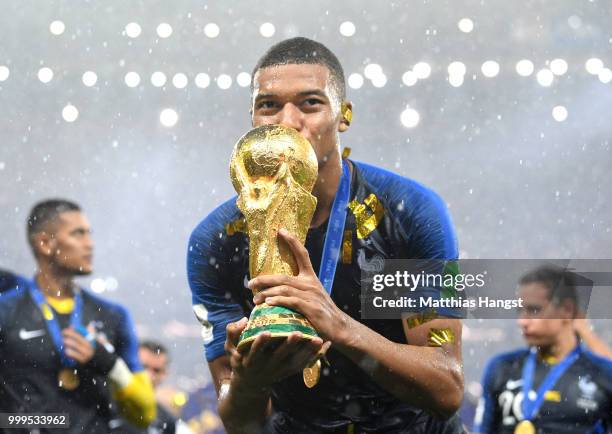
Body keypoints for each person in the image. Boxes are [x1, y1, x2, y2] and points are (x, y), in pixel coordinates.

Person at [187, 37, 465, 433]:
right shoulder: (216, 240)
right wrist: (250, 381)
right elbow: (241, 423)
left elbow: (447, 386)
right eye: (269, 106)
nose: (287, 121)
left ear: (343, 115)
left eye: (310, 103)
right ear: (252, 118)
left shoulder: (410, 213)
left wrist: (337, 324)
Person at [0, 199, 156, 433]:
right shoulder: (5, 311)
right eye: (78, 234)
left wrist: (110, 364)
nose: (90, 244)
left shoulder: (113, 315)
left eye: (89, 234)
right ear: (44, 243)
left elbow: (146, 414)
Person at [473, 265, 612, 433]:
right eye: (520, 311)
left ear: (566, 310)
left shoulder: (602, 374)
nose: (522, 321)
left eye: (533, 310)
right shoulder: (502, 367)